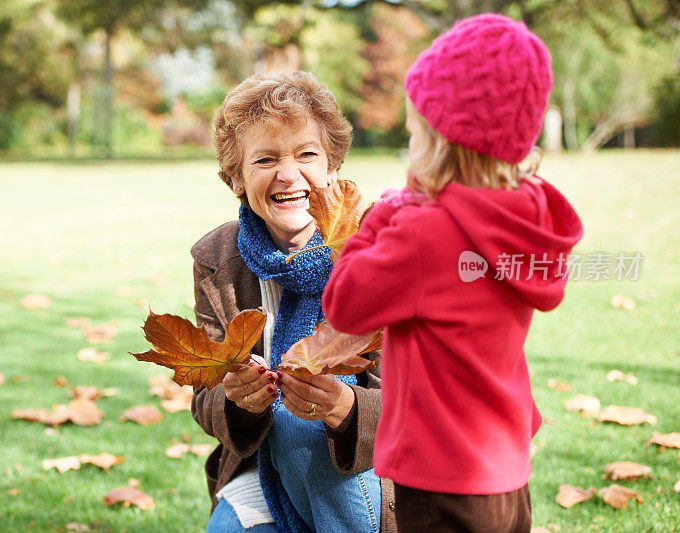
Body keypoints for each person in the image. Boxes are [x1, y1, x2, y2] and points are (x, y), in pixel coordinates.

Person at [322, 14, 583, 533]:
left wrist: (382, 220)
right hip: (505, 471)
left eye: (414, 135)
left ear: (442, 141)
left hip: (442, 477)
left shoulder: (425, 234)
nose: (409, 148)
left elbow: (345, 304)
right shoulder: (523, 212)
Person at [191, 71, 395, 532]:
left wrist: (347, 408)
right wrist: (237, 401)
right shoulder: (216, 260)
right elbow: (204, 398)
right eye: (264, 160)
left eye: (306, 154)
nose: (289, 174)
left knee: (301, 422)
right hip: (260, 475)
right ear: (237, 178)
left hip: (368, 471)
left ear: (331, 166)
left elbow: (426, 400)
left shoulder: (380, 251)